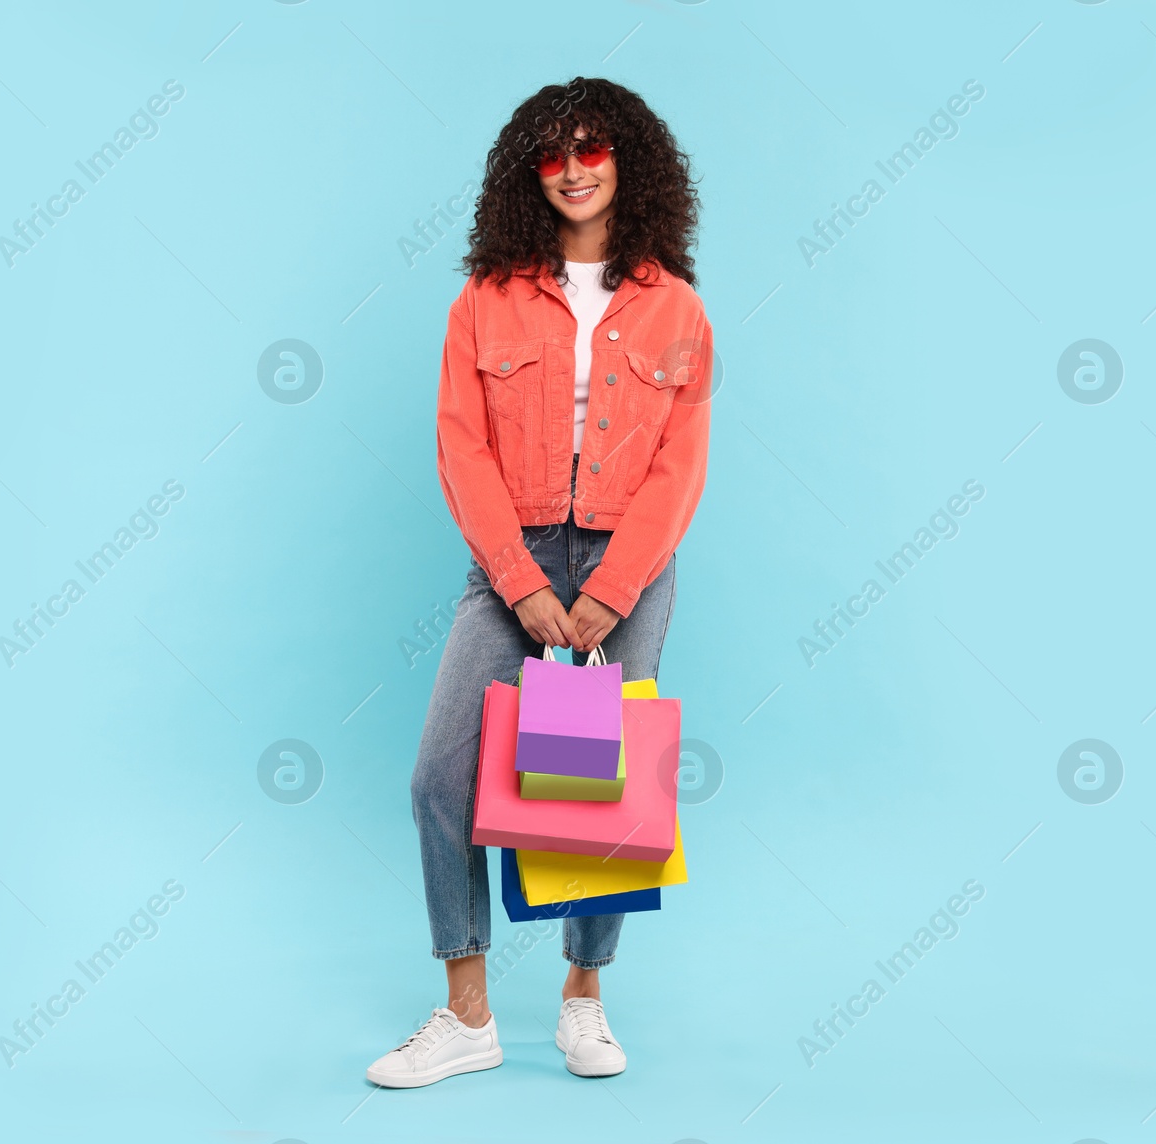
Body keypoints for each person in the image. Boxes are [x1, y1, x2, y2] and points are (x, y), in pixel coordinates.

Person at [366, 76, 714, 1089]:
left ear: (626, 164)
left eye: (591, 150)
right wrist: (519, 582)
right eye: (552, 155)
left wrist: (609, 589)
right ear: (531, 173)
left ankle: (583, 1000)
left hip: (628, 569)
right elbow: (459, 447)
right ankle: (466, 1012)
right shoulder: (483, 298)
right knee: (442, 777)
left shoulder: (675, 306)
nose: (571, 169)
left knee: (597, 786)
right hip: (508, 563)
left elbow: (678, 467)